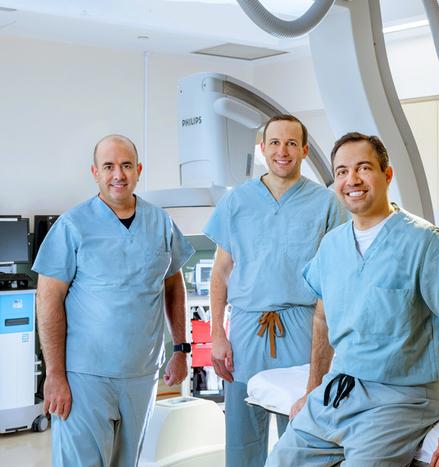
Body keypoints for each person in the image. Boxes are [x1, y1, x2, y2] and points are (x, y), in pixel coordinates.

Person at [267, 132, 439, 467]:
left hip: (400, 400)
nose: (352, 180)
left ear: (387, 175)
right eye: (342, 171)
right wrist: (313, 388)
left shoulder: (425, 244)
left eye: (363, 168)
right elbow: (322, 320)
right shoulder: (332, 246)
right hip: (336, 394)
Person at [33, 134, 194, 467]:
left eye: (125, 165)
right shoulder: (72, 226)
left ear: (138, 170)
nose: (118, 174)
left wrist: (181, 348)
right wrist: (55, 374)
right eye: (108, 166)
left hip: (141, 373)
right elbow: (48, 301)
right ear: (95, 172)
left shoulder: (160, 222)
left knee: (128, 463)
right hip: (84, 376)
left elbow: (173, 283)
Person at [204, 114, 348, 467]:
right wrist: (216, 335)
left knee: (302, 431)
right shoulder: (237, 201)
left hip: (303, 327)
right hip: (246, 330)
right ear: (262, 148)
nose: (282, 151)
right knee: (241, 433)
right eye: (275, 143)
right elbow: (221, 272)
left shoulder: (326, 203)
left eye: (291, 143)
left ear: (304, 150)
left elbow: (336, 275)